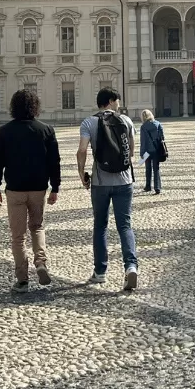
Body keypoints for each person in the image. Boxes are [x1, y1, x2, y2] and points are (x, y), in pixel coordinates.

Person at [0, 89, 62, 292]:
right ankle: (40, 263)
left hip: (15, 189)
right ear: (35, 107)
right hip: (39, 187)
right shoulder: (46, 130)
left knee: (18, 236)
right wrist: (55, 187)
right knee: (37, 227)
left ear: (14, 107)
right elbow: (54, 162)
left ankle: (22, 279)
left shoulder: (4, 131)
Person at [78, 89, 139, 289]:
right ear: (111, 101)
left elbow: (82, 151)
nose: (119, 105)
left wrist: (82, 175)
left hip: (100, 182)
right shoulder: (127, 121)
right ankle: (130, 267)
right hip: (124, 181)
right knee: (125, 226)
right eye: (118, 101)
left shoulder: (89, 122)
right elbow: (130, 151)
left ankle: (100, 272)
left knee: (100, 225)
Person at [140, 109, 166, 195]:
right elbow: (162, 137)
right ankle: (157, 187)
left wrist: (142, 153)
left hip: (147, 151)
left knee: (148, 169)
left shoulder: (143, 127)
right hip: (156, 149)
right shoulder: (158, 124)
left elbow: (143, 141)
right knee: (156, 168)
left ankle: (148, 186)